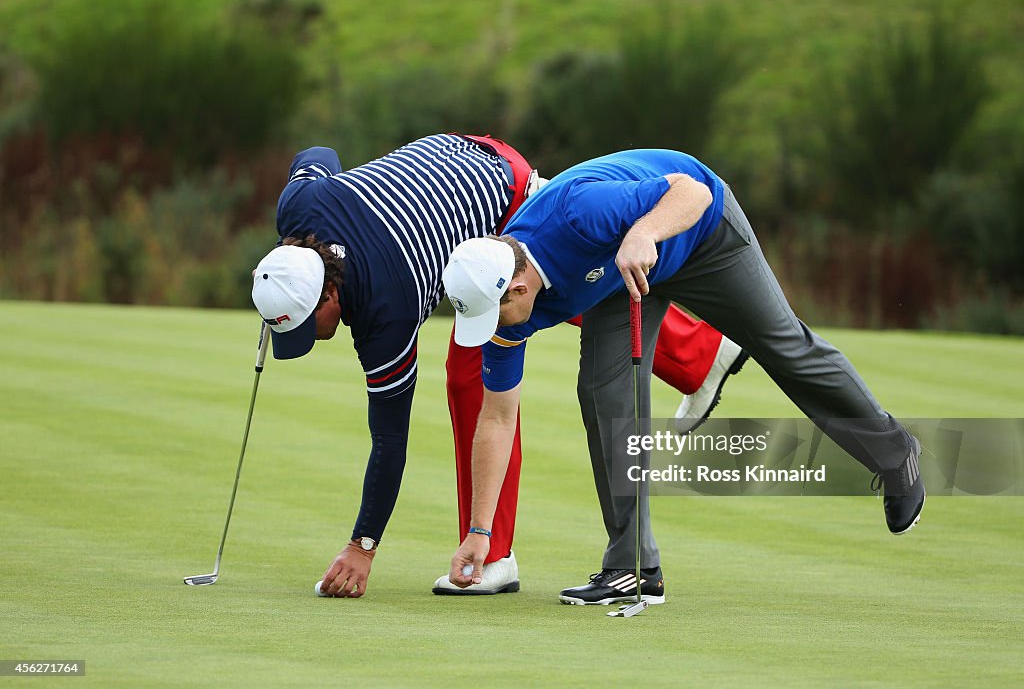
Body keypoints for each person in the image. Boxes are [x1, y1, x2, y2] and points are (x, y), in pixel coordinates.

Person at [249, 134, 746, 598]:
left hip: (504, 193)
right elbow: (319, 156)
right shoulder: (298, 211)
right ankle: (700, 354)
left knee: (478, 367)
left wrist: (363, 545)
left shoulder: (388, 310)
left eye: (306, 323)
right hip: (460, 157)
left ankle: (492, 554)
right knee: (547, 299)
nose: (308, 338)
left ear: (329, 291)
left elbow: (389, 438)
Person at [443, 147, 925, 606]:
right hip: (622, 274)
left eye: (494, 315)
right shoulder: (506, 309)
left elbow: (692, 192)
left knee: (785, 348)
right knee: (602, 394)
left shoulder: (577, 212)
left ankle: (893, 451)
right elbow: (498, 418)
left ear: (519, 288)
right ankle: (632, 567)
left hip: (699, 236)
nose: (493, 329)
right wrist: (480, 532)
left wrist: (644, 232)